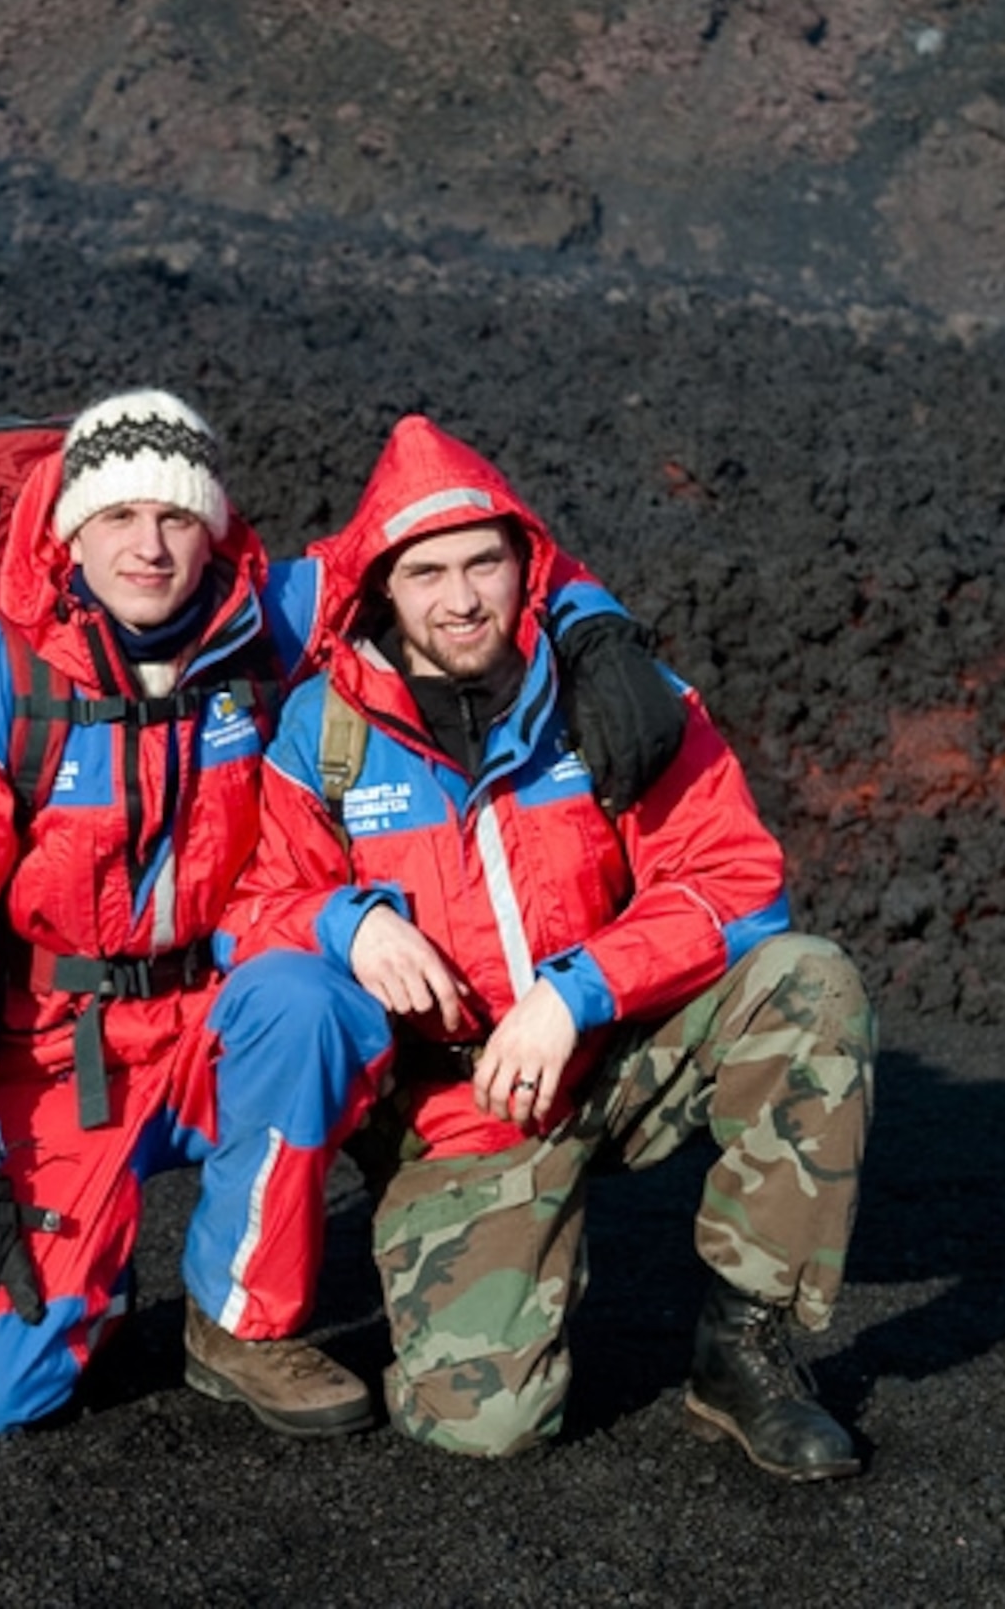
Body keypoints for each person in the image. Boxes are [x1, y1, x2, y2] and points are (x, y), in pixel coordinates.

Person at [231, 414, 877, 1475]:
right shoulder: (324, 732)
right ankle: (517, 1239)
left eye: (484, 560)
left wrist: (579, 989)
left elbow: (738, 882)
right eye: (427, 570)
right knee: (476, 1427)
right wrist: (351, 922)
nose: (461, 596)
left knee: (808, 981)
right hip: (459, 1109)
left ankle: (745, 1349)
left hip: (617, 1054)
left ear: (527, 563)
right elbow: (259, 903)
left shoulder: (614, 700)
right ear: (381, 589)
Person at [0, 389, 396, 1438]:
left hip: (213, 1019)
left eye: (178, 515)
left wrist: (594, 633)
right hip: (55, 1052)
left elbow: (431, 519)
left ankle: (240, 1322)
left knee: (312, 997)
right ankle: (83, 1269)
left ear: (216, 526)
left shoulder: (261, 623)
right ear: (71, 530)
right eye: (119, 516)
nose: (149, 544)